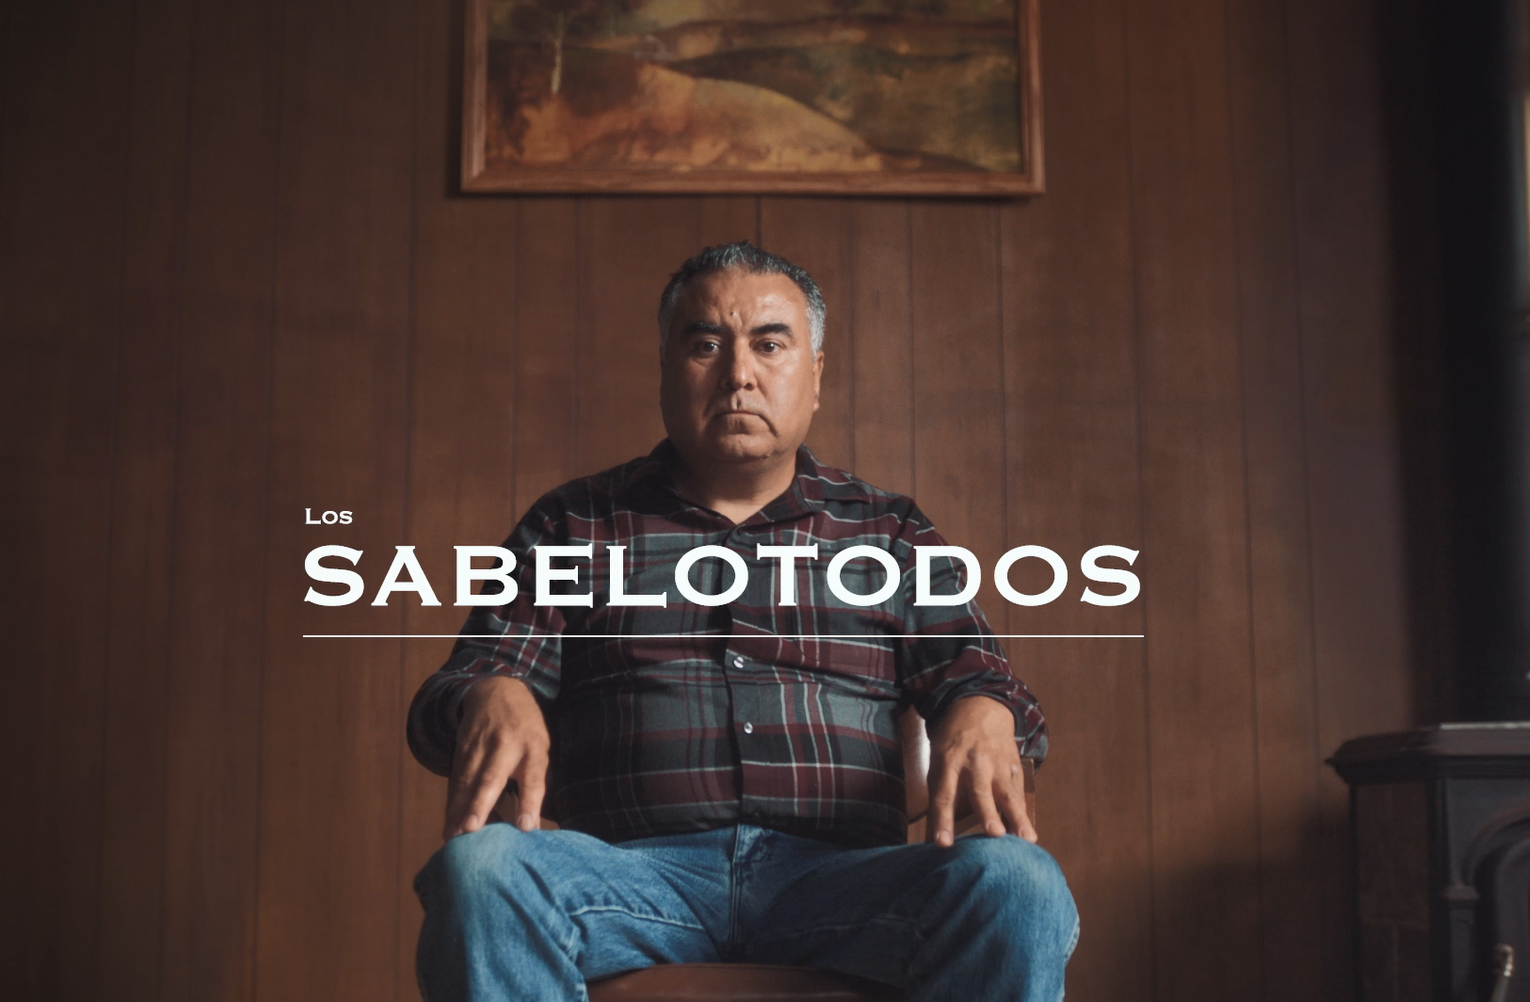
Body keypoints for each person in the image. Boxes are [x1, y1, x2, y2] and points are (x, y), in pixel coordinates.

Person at [406, 241, 1079, 1001]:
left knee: (1018, 884)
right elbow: (445, 705)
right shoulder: (573, 524)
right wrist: (491, 689)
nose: (738, 374)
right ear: (665, 370)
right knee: (482, 869)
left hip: (845, 886)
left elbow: (979, 673)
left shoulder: (887, 531)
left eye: (769, 343)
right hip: (629, 879)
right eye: (705, 345)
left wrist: (984, 705)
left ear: (816, 375)